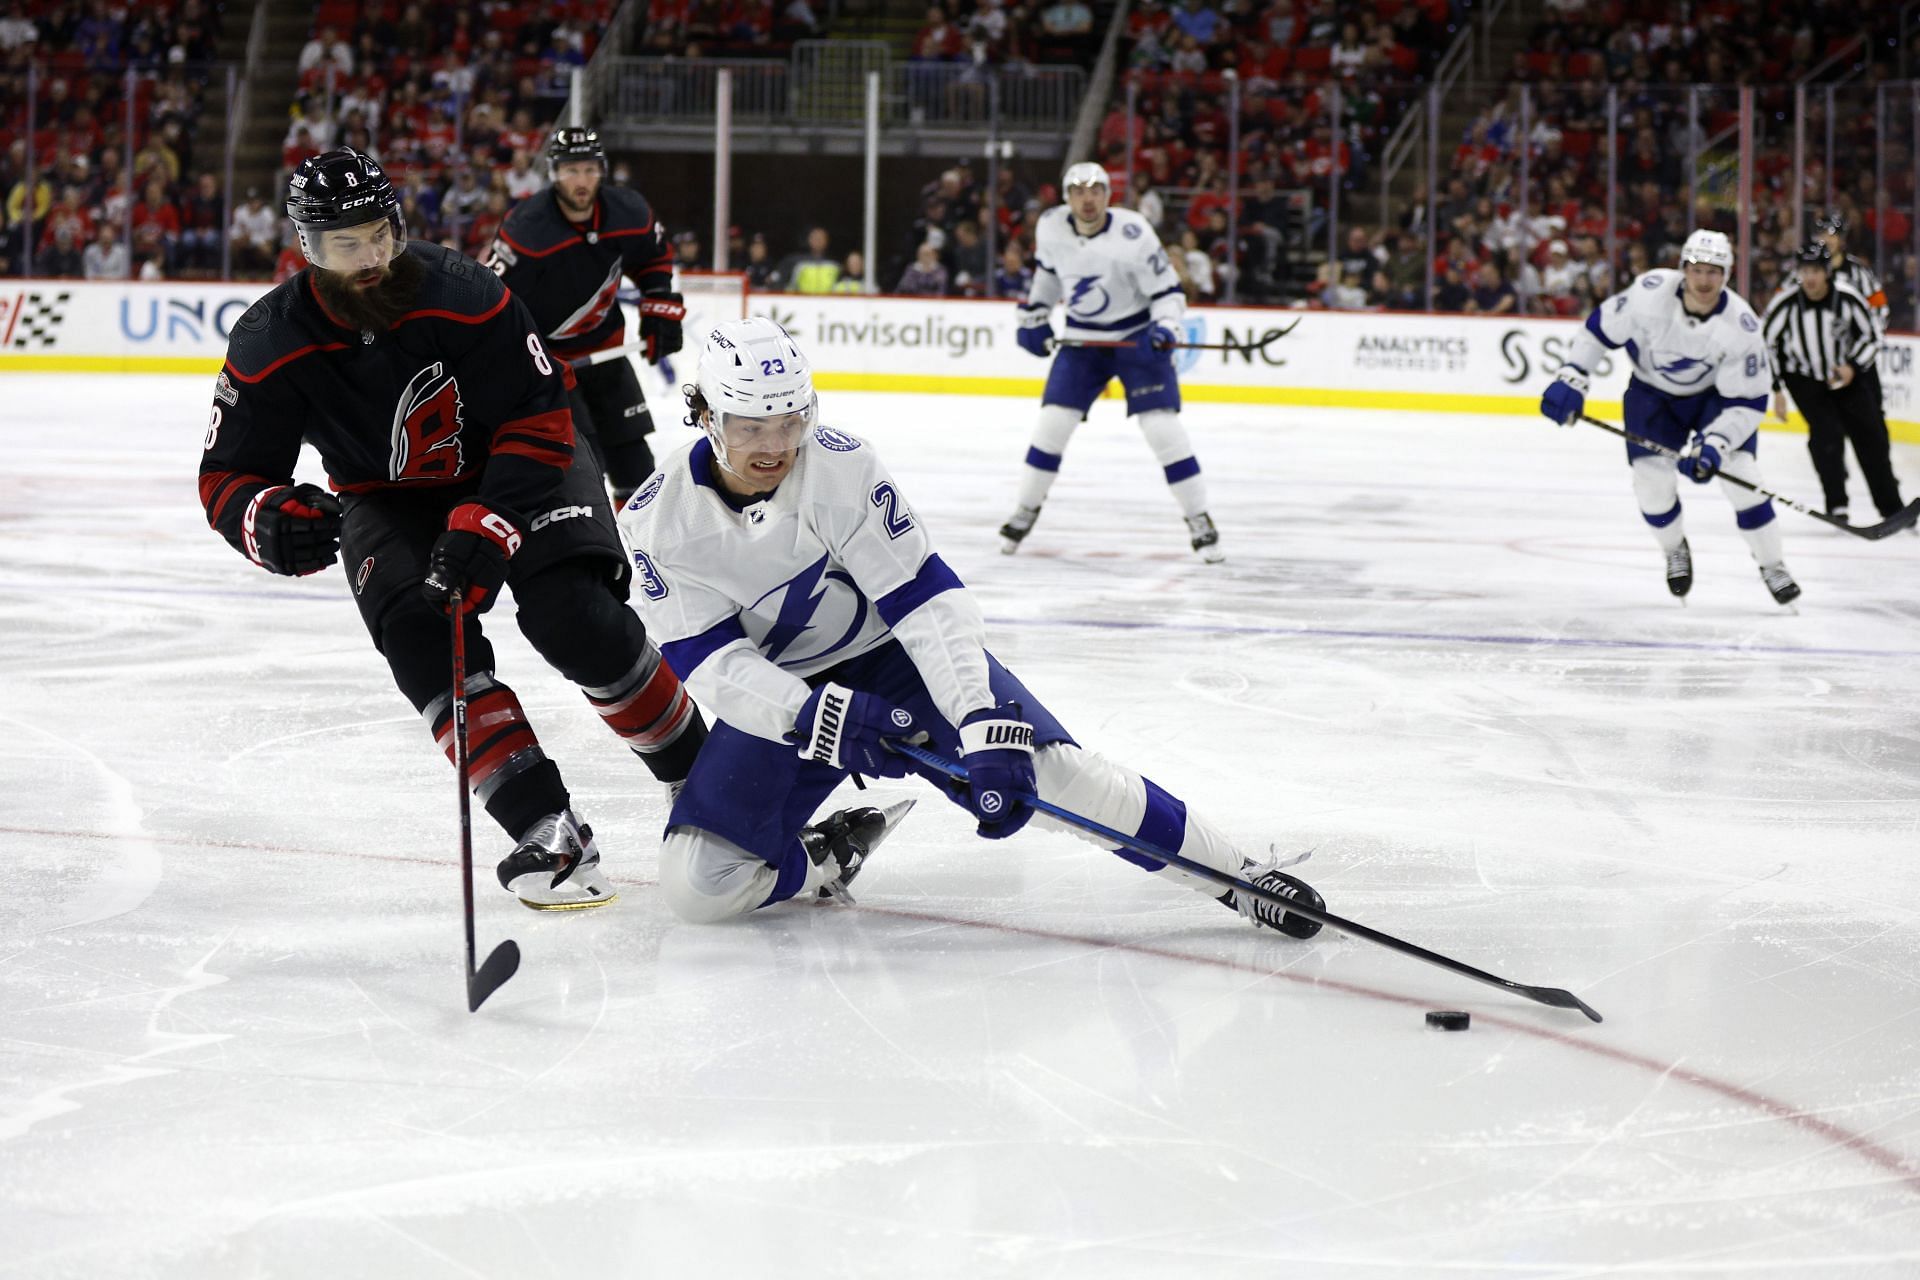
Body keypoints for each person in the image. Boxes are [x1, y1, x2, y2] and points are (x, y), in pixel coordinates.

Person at [616, 317, 1325, 931]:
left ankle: (1240, 878)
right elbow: (712, 665)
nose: (774, 445)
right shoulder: (657, 520)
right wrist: (814, 716)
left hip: (895, 660)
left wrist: (978, 714)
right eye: (749, 426)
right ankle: (827, 854)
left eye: (791, 420)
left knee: (1054, 776)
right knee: (697, 887)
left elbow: (924, 603)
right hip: (786, 697)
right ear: (705, 416)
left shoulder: (843, 466)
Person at [197, 148, 706, 909]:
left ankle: (707, 784)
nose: (369, 258)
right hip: (386, 496)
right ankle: (545, 825)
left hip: (527, 462)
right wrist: (262, 520)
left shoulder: (466, 293)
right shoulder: (270, 337)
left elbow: (538, 415)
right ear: (307, 248)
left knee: (573, 615)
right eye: (345, 245)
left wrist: (490, 522)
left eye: (379, 235)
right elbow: (226, 475)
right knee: (417, 632)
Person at [1540, 229, 1800, 605]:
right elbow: (1599, 329)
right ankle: (1674, 548)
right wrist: (1573, 376)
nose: (1705, 280)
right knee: (1651, 485)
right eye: (1697, 269)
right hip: (1651, 396)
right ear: (1684, 270)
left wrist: (1716, 444)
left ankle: (1773, 565)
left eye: (1715, 271)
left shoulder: (1741, 326)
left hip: (1715, 400)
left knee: (1742, 478)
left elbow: (1745, 402)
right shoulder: (1649, 294)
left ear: (1726, 275)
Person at [1003, 163, 1223, 562]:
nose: (1088, 199)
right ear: (1067, 198)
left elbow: (1168, 292)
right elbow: (1048, 277)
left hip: (1136, 338)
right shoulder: (1050, 226)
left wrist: (1166, 327)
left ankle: (1199, 518)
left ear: (1108, 196)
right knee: (1052, 424)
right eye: (1079, 191)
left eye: (1096, 190)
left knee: (1162, 429)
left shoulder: (1133, 232)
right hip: (1083, 339)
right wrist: (1033, 316)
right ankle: (1026, 509)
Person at [484, 127, 685, 501]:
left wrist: (659, 306)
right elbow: (494, 299)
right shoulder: (527, 229)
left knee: (636, 465)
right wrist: (523, 361)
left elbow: (653, 257)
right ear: (553, 174)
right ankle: (593, 551)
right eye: (571, 171)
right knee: (583, 466)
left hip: (607, 355)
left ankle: (646, 550)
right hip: (553, 367)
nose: (581, 181)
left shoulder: (628, 211)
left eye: (590, 170)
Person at [1763, 240, 1905, 525]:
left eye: (1816, 270)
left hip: (1847, 376)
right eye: (1805, 270)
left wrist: (1853, 367)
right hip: (1804, 379)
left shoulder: (1849, 298)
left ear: (1827, 271)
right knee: (1826, 436)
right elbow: (1767, 343)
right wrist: (1777, 389)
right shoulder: (1786, 304)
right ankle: (1836, 504)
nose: (1810, 277)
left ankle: (1891, 508)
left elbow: (1872, 337)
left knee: (1872, 437)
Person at [1772, 212, 1887, 332]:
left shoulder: (1858, 271)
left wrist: (1868, 332)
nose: (1826, 240)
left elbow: (1879, 306)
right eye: (1822, 235)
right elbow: (1779, 301)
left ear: (1841, 240)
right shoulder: (1801, 271)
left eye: (1832, 236)